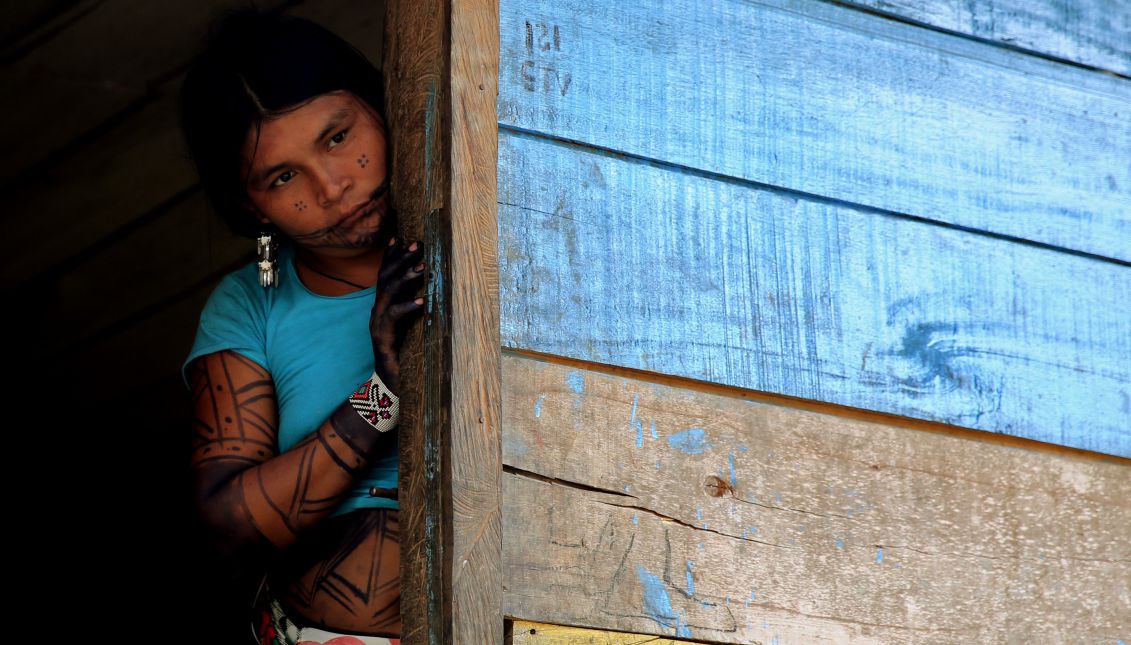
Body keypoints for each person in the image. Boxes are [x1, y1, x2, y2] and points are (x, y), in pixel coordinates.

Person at [178, 8, 426, 644]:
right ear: (247, 204)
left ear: (378, 98)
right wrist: (382, 396)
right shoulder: (249, 306)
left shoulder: (499, 213)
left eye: (337, 137)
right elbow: (225, 527)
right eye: (284, 177)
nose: (334, 186)